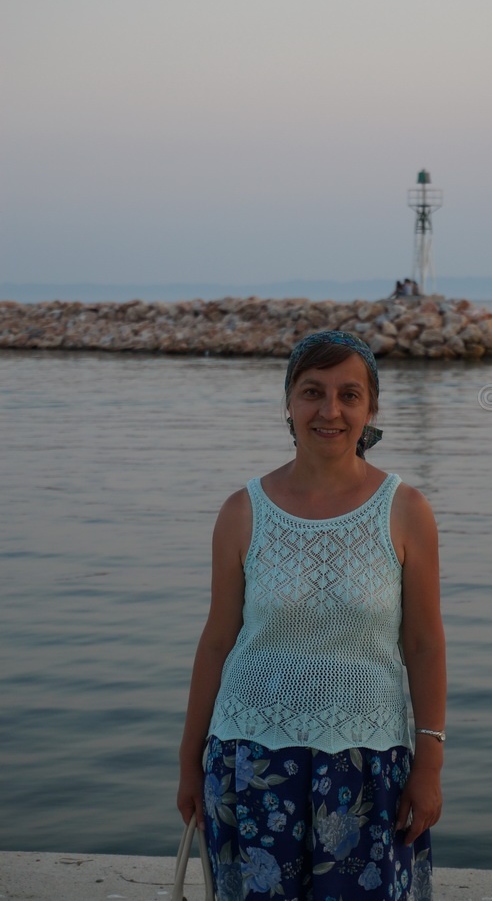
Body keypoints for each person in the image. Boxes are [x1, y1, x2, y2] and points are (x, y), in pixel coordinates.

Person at [177, 330, 447, 901]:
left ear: (371, 408)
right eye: (312, 392)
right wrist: (187, 761)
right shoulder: (242, 511)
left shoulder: (406, 511)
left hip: (369, 762)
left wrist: (430, 764)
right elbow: (217, 641)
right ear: (288, 403)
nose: (330, 411)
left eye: (349, 395)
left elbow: (424, 645)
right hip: (249, 759)